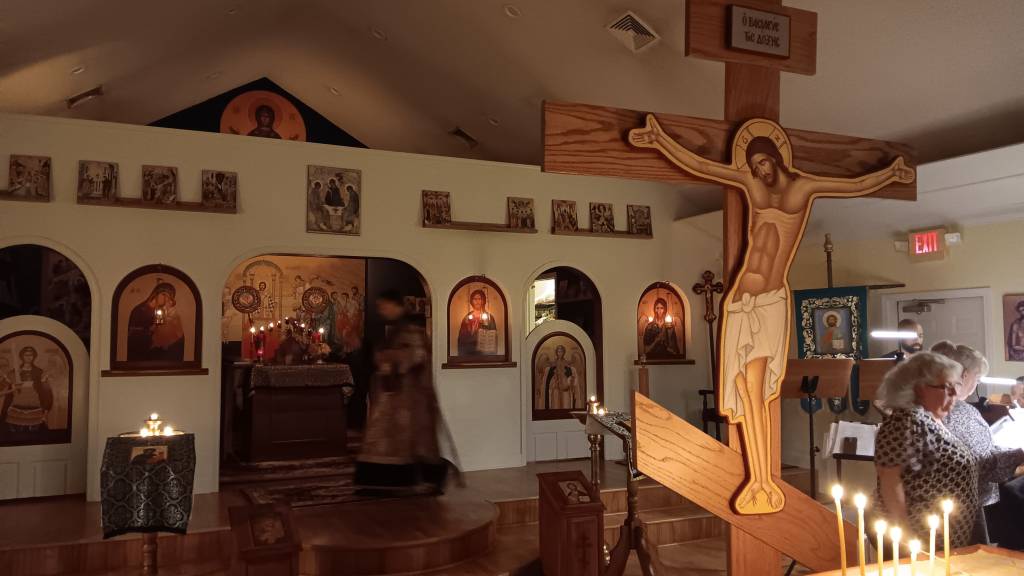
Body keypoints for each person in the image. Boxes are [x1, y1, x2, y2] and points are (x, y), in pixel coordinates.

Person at [629, 113, 914, 513]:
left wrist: (889, 175)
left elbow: (850, 184)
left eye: (764, 163)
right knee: (744, 389)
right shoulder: (750, 184)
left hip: (769, 301)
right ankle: (758, 479)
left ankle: (762, 479)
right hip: (740, 300)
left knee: (759, 390)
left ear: (777, 159)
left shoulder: (803, 187)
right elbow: (703, 166)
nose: (761, 171)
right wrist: (660, 141)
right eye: (755, 166)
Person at [354, 290, 459, 495]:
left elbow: (417, 355)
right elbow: (383, 355)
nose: (381, 310)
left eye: (384, 306)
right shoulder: (395, 330)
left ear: (396, 305)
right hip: (392, 393)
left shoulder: (412, 329)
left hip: (410, 396)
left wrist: (390, 358)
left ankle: (422, 479)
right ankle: (385, 481)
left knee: (411, 440)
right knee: (384, 438)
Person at [873, 351, 978, 548]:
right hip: (920, 537)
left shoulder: (931, 419)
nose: (954, 393)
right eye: (946, 387)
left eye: (955, 386)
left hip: (943, 535)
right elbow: (890, 480)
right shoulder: (906, 420)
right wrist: (905, 534)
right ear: (919, 388)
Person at [930, 341, 1024, 544]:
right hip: (957, 507)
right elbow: (984, 463)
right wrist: (1019, 455)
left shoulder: (949, 408)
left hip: (950, 502)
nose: (976, 385)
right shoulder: (957, 411)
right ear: (963, 375)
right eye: (977, 378)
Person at [126, 281, 184, 362]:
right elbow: (133, 336)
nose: (165, 299)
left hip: (158, 355)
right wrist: (151, 330)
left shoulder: (162, 311)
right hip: (142, 356)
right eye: (164, 295)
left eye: (169, 298)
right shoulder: (140, 310)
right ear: (155, 293)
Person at [3, 347, 54, 433]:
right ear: (22, 356)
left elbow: (46, 393)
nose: (28, 357)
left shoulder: (39, 372)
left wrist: (45, 411)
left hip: (35, 411)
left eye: (31, 355)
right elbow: (5, 389)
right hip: (15, 411)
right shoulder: (13, 373)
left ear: (34, 356)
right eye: (26, 355)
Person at [457, 289, 497, 356]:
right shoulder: (467, 317)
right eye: (475, 299)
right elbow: (461, 337)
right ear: (472, 301)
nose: (477, 301)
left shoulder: (489, 318)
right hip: (468, 352)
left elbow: (493, 337)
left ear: (483, 301)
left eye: (479, 299)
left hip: (484, 353)